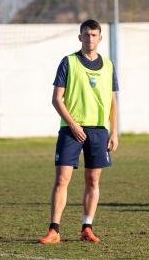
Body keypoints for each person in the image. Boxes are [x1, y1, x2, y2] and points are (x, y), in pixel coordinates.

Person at [39, 19, 119, 244]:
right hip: (71, 129)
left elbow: (113, 102)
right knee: (62, 179)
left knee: (93, 180)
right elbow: (57, 99)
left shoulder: (109, 65)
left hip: (98, 131)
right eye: (86, 34)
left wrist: (113, 132)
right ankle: (54, 230)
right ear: (80, 37)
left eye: (94, 35)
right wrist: (73, 125)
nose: (90, 38)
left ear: (100, 38)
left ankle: (87, 227)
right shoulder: (68, 62)